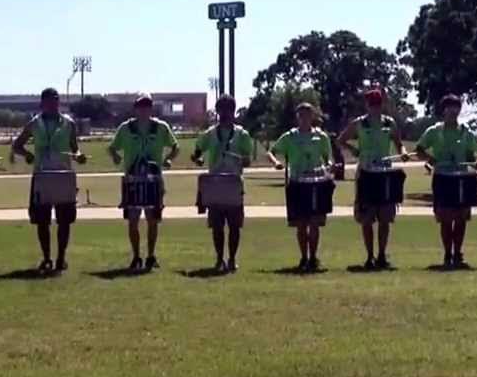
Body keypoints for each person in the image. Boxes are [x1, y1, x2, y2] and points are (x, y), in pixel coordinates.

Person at [12, 88, 86, 274]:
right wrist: (28, 155)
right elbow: (17, 145)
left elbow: (75, 148)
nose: (53, 104)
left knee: (65, 220)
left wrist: (78, 156)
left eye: (56, 100)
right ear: (42, 103)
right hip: (42, 175)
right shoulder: (34, 123)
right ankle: (46, 258)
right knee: (42, 220)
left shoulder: (68, 123)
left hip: (63, 174)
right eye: (49, 101)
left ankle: (61, 258)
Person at [340, 87, 409, 270]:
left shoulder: (389, 123)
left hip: (385, 174)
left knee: (385, 218)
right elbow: (341, 140)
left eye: (378, 104)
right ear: (367, 105)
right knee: (366, 218)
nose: (375, 107)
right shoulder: (359, 123)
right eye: (372, 104)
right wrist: (354, 150)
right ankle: (369, 256)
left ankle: (382, 255)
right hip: (366, 173)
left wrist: (403, 152)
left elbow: (399, 144)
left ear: (382, 104)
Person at [109, 94, 179, 272]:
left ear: (151, 108)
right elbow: (112, 147)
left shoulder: (161, 127)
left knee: (152, 219)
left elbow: (175, 146)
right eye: (140, 106)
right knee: (132, 220)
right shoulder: (126, 128)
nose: (143, 110)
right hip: (132, 179)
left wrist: (168, 159)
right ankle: (136, 256)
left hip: (153, 179)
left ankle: (151, 255)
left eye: (147, 106)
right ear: (135, 109)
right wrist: (116, 156)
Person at [416, 95, 477, 268]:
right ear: (443, 110)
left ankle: (458, 253)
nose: (453, 111)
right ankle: (447, 254)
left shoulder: (466, 131)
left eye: (456, 107)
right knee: (445, 219)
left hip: (462, 178)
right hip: (442, 178)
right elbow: (419, 149)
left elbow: (470, 154)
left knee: (461, 218)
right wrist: (431, 159)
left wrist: (475, 162)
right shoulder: (434, 131)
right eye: (450, 107)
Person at [192, 94, 254, 273]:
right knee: (217, 225)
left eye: (228, 110)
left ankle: (232, 259)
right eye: (221, 110)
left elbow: (248, 160)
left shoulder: (242, 134)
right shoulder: (210, 134)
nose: (225, 114)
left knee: (235, 225)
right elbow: (197, 152)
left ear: (233, 112)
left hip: (234, 183)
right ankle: (219, 259)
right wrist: (197, 158)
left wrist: (243, 160)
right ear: (217, 111)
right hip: (215, 182)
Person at [269, 103, 333, 272]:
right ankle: (303, 257)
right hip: (297, 182)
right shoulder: (290, 136)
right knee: (301, 224)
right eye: (301, 115)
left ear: (313, 116)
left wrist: (329, 165)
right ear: (297, 117)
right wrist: (276, 163)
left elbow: (328, 158)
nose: (304, 118)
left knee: (315, 223)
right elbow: (272, 152)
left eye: (307, 115)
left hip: (317, 182)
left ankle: (313, 258)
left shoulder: (321, 136)